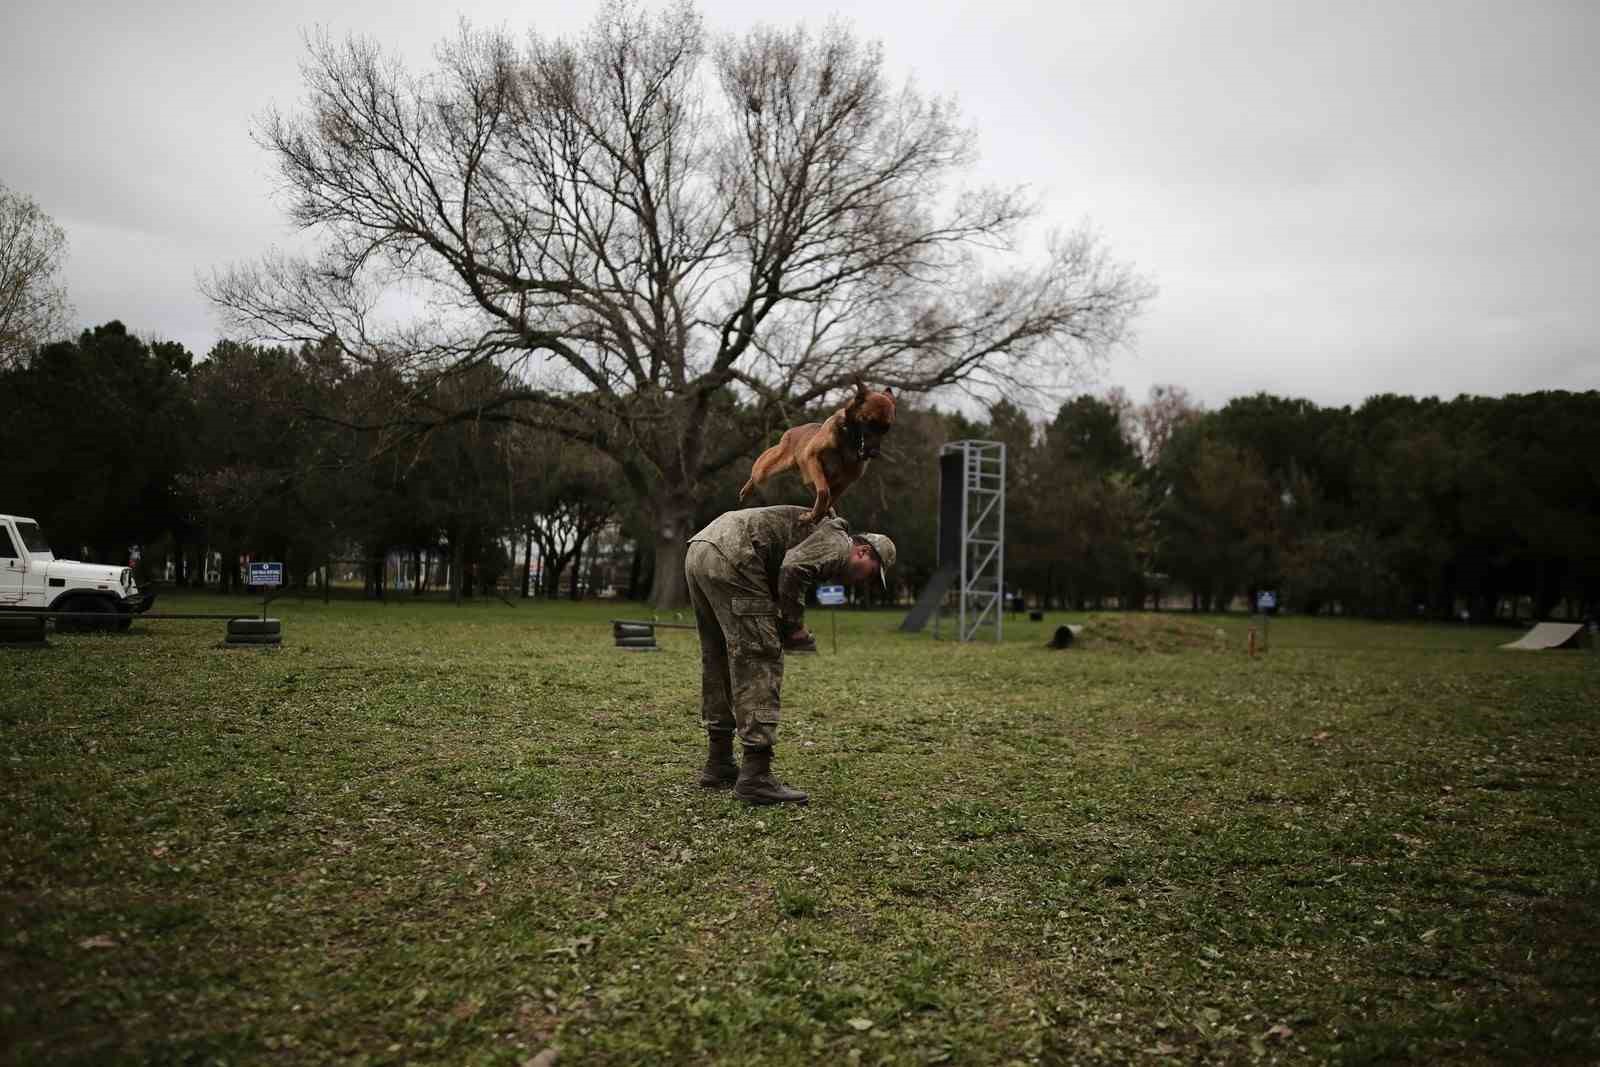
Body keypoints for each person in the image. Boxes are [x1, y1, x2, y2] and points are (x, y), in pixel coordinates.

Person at [684, 505, 895, 805]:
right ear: (863, 551)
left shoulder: (820, 535)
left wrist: (783, 621)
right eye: (871, 574)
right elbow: (794, 567)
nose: (863, 582)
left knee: (716, 655)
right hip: (735, 553)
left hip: (703, 546)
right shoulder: (839, 541)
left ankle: (718, 761)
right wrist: (793, 627)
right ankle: (756, 776)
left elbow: (784, 567)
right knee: (761, 657)